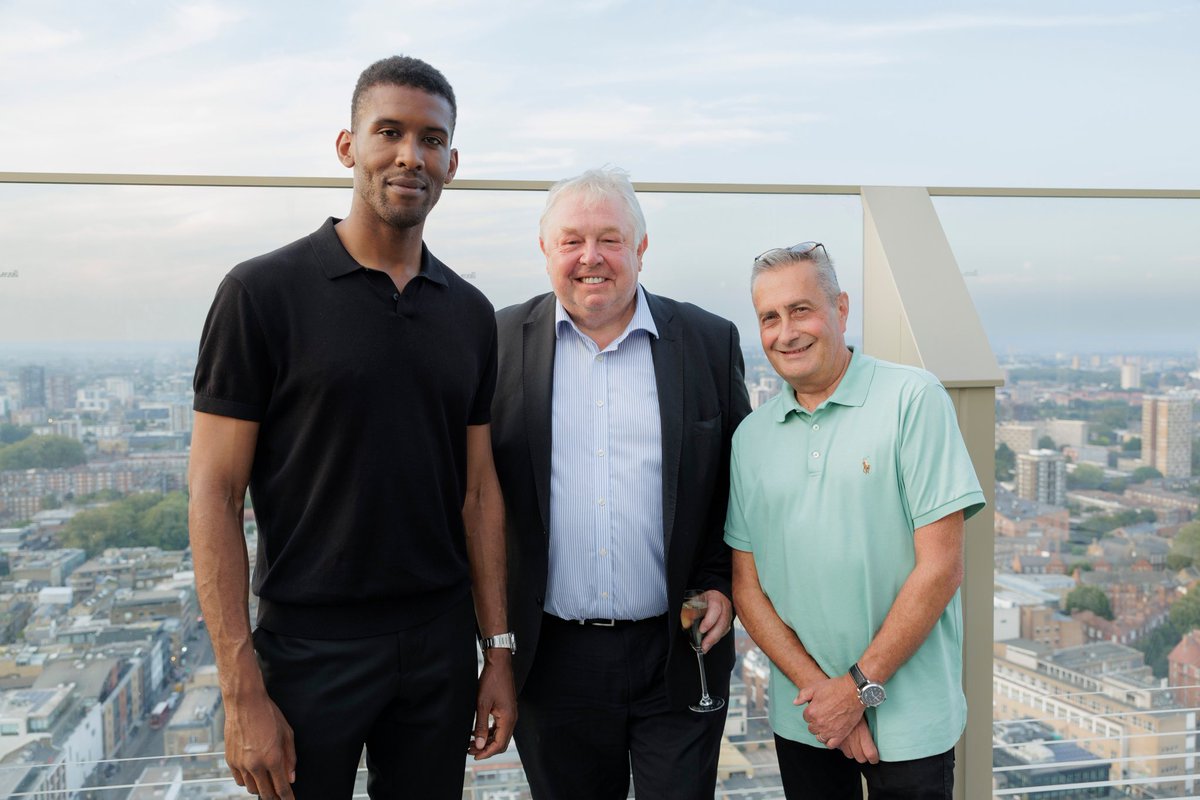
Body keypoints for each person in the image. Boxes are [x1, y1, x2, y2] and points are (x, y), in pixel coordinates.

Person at [187, 55, 515, 800]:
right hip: (308, 648)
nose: (411, 155)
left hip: (437, 646)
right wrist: (240, 691)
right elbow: (213, 492)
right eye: (389, 132)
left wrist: (496, 653)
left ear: (452, 163)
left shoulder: (468, 312)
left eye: (431, 140)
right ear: (347, 146)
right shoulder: (260, 293)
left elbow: (478, 495)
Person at [490, 167, 751, 799]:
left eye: (609, 239)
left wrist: (721, 582)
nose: (591, 258)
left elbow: (741, 484)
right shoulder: (494, 342)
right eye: (572, 240)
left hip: (680, 648)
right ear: (545, 250)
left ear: (640, 248)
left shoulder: (708, 342)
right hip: (550, 662)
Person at [725, 242, 986, 799]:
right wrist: (826, 696)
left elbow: (940, 568)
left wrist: (857, 690)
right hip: (807, 718)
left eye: (801, 310)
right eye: (769, 318)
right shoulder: (750, 437)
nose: (785, 332)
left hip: (911, 723)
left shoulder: (914, 399)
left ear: (841, 309)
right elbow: (747, 586)